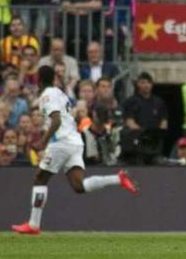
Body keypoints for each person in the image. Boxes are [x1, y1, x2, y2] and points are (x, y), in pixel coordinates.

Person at [11, 66, 138, 235]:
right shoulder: (59, 93)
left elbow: (55, 121)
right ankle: (118, 178)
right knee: (79, 186)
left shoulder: (47, 96)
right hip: (75, 141)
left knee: (40, 178)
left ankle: (33, 224)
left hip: (61, 142)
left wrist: (43, 140)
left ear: (39, 80)